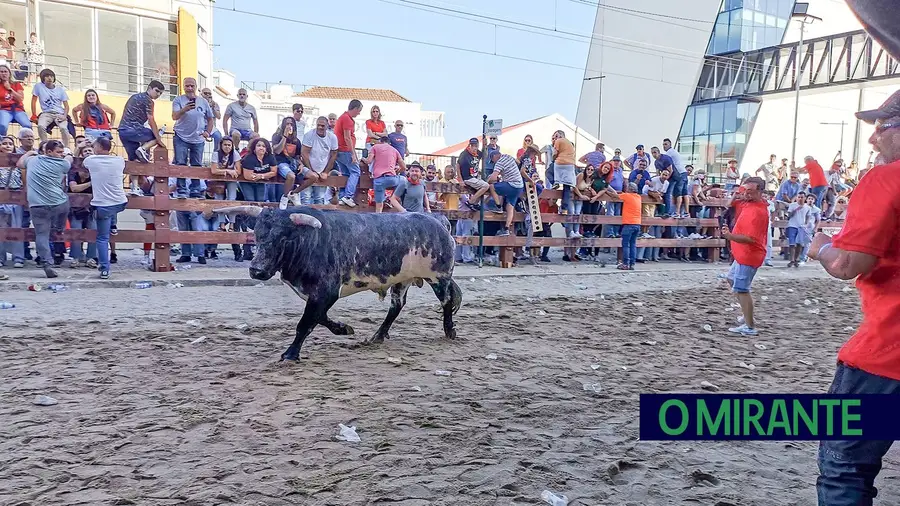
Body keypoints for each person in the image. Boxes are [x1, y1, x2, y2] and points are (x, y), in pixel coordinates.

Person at [808, 91, 900, 506]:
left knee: (845, 464)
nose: (873, 138)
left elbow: (850, 265)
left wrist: (822, 247)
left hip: (887, 356)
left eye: (883, 127)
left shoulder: (886, 179)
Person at [721, 176, 769, 336]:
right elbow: (729, 205)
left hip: (750, 254)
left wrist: (730, 236)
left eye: (750, 191)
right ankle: (746, 314)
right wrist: (738, 193)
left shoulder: (759, 212)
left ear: (760, 192)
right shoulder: (749, 203)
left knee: (742, 289)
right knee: (732, 280)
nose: (746, 194)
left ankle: (749, 326)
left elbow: (750, 238)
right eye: (745, 191)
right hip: (742, 254)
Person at [17, 139, 71, 278]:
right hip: (56, 202)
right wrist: (69, 154)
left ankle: (47, 263)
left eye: (62, 152)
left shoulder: (33, 160)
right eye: (58, 152)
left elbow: (19, 163)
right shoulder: (63, 163)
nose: (61, 154)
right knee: (66, 204)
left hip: (36, 204)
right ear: (49, 152)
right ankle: (59, 227)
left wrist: (29, 152)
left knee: (41, 235)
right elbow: (70, 160)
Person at [81, 137, 127, 279]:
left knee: (102, 238)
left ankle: (105, 269)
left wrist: (82, 145)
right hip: (120, 201)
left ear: (99, 147)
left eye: (94, 146)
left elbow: (81, 161)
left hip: (102, 205)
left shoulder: (91, 160)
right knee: (113, 211)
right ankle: (113, 224)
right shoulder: (119, 160)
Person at [172, 77, 215, 199]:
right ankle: (181, 190)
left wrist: (208, 132)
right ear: (183, 87)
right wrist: (184, 109)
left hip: (198, 138)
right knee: (181, 163)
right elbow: (174, 116)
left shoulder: (203, 101)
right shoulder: (178, 100)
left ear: (196, 87)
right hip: (181, 136)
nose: (190, 88)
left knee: (197, 164)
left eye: (192, 86)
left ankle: (195, 190)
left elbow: (210, 118)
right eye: (187, 86)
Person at [118, 80, 166, 166]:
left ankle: (135, 180)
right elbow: (151, 119)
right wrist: (158, 139)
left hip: (122, 131)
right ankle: (143, 149)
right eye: (157, 91)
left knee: (134, 161)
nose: (158, 94)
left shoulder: (134, 96)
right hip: (134, 129)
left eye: (160, 93)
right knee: (156, 135)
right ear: (149, 88)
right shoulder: (148, 101)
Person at [487, 151, 531, 236]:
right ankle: (506, 229)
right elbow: (517, 162)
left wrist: (485, 182)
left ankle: (498, 206)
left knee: (492, 186)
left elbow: (493, 178)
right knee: (510, 207)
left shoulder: (499, 163)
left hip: (512, 184)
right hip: (519, 186)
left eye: (493, 160)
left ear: (494, 157)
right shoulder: (508, 156)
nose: (494, 163)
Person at [300, 116, 338, 205]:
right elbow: (304, 153)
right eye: (318, 125)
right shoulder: (309, 135)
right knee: (306, 197)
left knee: (320, 198)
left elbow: (334, 155)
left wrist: (326, 172)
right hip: (308, 171)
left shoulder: (332, 137)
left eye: (322, 125)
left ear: (327, 126)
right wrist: (311, 171)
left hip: (322, 171)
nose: (320, 127)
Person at [270, 116, 307, 209]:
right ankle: (285, 197)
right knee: (291, 176)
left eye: (291, 124)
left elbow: (298, 156)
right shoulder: (276, 136)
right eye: (287, 124)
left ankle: (294, 193)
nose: (289, 126)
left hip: (293, 164)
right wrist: (285, 136)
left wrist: (301, 164)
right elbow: (277, 151)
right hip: (281, 163)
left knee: (313, 176)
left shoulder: (296, 141)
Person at [0, 135, 24, 268]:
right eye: (4, 143)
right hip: (0, 195)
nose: (7, 145)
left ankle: (18, 258)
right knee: (1, 229)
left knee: (17, 228)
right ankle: (0, 258)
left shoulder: (19, 162)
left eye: (10, 143)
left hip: (16, 196)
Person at [365, 135, 406, 213]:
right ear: (389, 143)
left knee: (379, 206)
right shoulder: (394, 150)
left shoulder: (375, 147)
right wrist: (397, 172)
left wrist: (363, 159)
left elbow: (369, 161)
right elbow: (404, 167)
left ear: (380, 141)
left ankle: (378, 219)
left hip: (379, 180)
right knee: (403, 180)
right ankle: (393, 198)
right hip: (392, 179)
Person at [334, 99, 362, 207]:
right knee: (355, 172)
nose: (359, 113)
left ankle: (342, 197)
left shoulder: (342, 117)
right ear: (355, 109)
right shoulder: (347, 119)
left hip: (339, 151)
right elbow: (347, 137)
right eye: (359, 110)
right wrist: (353, 154)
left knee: (346, 174)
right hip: (346, 150)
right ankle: (348, 196)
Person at [31, 68, 70, 145]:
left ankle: (66, 147)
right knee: (40, 126)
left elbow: (66, 106)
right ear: (43, 78)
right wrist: (34, 114)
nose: (49, 78)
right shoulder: (38, 86)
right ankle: (44, 145)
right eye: (47, 76)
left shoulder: (60, 90)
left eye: (51, 76)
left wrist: (64, 116)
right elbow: (33, 101)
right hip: (46, 113)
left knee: (64, 128)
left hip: (59, 113)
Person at [552, 130, 580, 238]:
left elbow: (555, 154)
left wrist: (554, 158)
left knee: (557, 170)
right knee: (567, 188)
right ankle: (563, 208)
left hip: (561, 162)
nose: (555, 138)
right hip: (570, 164)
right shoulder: (570, 144)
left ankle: (556, 182)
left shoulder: (558, 141)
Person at [458, 138, 497, 210]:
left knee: (486, 187)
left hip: (475, 177)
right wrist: (460, 180)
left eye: (475, 145)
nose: (474, 147)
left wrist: (485, 145)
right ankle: (471, 202)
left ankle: (475, 203)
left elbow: (485, 156)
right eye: (472, 145)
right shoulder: (464, 154)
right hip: (467, 177)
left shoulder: (478, 153)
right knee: (485, 186)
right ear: (469, 145)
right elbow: (458, 165)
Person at [239, 137, 277, 204]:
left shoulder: (270, 157)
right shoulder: (249, 158)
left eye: (264, 146)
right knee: (250, 200)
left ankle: (259, 214)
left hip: (260, 181)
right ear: (254, 148)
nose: (261, 148)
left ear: (266, 149)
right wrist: (266, 175)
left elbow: (274, 172)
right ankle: (249, 214)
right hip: (246, 182)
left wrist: (261, 176)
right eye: (258, 145)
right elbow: (248, 176)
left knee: (260, 201)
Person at [615, 182, 642, 270]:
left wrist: (608, 189)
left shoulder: (627, 196)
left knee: (625, 244)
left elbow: (615, 195)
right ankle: (632, 264)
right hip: (637, 223)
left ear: (629, 189)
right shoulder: (639, 197)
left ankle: (625, 264)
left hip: (628, 223)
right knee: (633, 244)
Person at [0, 62, 29, 136]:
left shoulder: (16, 84)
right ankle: (3, 143)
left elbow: (20, 99)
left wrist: (10, 89)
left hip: (18, 109)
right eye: (1, 72)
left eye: (5, 71)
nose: (4, 74)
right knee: (2, 126)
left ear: (9, 73)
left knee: (27, 126)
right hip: (4, 110)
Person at [784, 192, 810, 268]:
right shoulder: (792, 205)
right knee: (792, 243)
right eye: (799, 197)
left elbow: (808, 216)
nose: (800, 199)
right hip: (792, 225)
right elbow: (789, 215)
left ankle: (796, 259)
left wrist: (806, 224)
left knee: (799, 244)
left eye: (802, 197)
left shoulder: (807, 207)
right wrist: (795, 210)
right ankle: (791, 260)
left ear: (805, 198)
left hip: (801, 226)